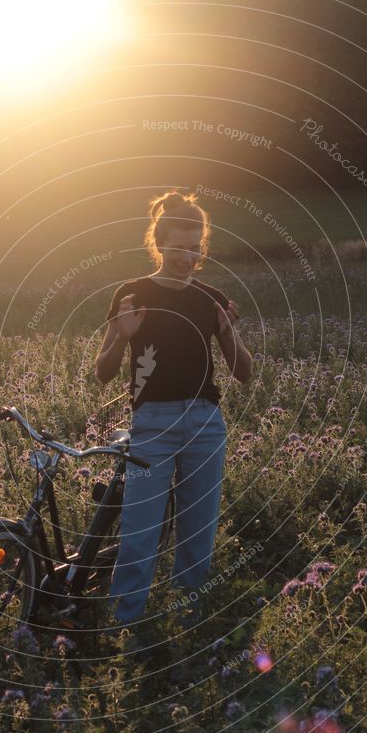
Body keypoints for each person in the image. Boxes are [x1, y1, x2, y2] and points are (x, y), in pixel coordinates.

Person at [95, 188, 253, 627]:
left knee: (198, 532)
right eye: (179, 247)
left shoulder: (210, 298)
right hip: (152, 425)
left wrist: (229, 332)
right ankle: (127, 625)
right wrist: (124, 335)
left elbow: (244, 373)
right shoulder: (131, 294)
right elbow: (102, 373)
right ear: (158, 243)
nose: (188, 257)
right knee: (139, 531)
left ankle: (187, 624)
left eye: (195, 247)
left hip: (205, 423)